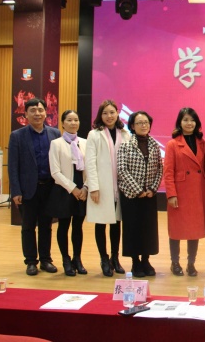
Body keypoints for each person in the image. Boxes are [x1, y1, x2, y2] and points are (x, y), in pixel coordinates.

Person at [8, 98, 61, 276]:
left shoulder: (55, 133)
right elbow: (13, 166)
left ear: (46, 113)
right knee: (28, 226)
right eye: (32, 110)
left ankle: (46, 260)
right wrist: (15, 191)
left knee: (46, 226)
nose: (37, 113)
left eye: (40, 110)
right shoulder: (17, 136)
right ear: (25, 114)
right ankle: (31, 261)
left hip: (49, 188)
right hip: (27, 190)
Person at [85, 100, 130, 277]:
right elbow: (90, 162)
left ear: (117, 113)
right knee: (101, 223)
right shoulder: (94, 134)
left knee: (116, 223)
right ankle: (104, 259)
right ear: (100, 115)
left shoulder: (125, 134)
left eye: (112, 112)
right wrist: (93, 187)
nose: (109, 116)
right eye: (105, 113)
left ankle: (115, 258)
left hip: (120, 187)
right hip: (102, 187)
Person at [164, 107, 205, 277]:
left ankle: (191, 263)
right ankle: (175, 262)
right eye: (185, 120)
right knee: (176, 229)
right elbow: (168, 172)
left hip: (198, 191)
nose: (189, 123)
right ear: (179, 123)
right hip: (180, 192)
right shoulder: (172, 144)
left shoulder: (202, 143)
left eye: (192, 120)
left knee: (194, 229)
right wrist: (171, 194)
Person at [117, 111, 163, 277]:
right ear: (132, 126)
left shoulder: (154, 145)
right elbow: (122, 170)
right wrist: (138, 190)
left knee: (148, 229)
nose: (143, 125)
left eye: (146, 122)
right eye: (139, 123)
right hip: (131, 195)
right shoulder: (125, 145)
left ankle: (146, 260)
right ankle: (135, 262)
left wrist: (153, 188)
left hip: (149, 195)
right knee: (133, 229)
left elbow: (160, 169)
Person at [47, 110, 88, 276]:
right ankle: (66, 259)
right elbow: (55, 172)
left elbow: (91, 168)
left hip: (82, 190)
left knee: (78, 226)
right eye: (69, 120)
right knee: (63, 226)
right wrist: (73, 188)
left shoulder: (85, 143)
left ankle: (77, 259)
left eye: (76, 120)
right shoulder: (56, 144)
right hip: (64, 190)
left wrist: (85, 187)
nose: (73, 123)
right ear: (62, 123)